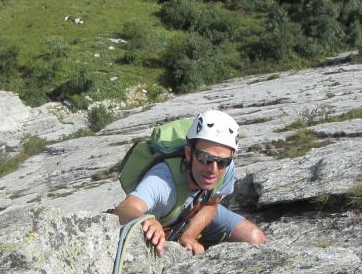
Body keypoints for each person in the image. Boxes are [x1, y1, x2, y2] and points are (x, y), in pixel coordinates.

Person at [113, 110, 266, 257]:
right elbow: (124, 209)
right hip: (166, 218)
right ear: (189, 153)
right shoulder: (163, 180)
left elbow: (212, 203)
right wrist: (146, 220)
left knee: (255, 238)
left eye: (223, 161)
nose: (213, 170)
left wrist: (189, 236)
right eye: (205, 159)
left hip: (196, 210)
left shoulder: (226, 168)